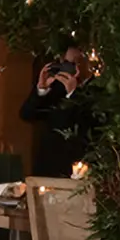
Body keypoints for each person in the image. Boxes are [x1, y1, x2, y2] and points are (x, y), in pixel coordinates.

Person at [19, 43, 97, 177]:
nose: (73, 67)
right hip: (50, 165)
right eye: (67, 63)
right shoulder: (56, 88)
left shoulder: (99, 90)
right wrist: (41, 89)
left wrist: (74, 93)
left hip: (79, 168)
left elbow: (87, 124)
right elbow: (27, 114)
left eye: (77, 62)